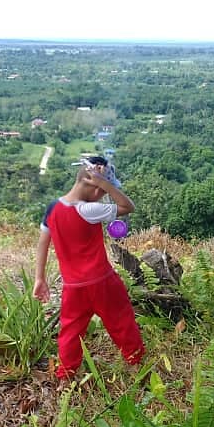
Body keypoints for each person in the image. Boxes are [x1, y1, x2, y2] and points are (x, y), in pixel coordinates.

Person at [33, 156, 145, 379]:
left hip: (73, 287)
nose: (103, 196)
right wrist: (104, 182)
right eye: (102, 192)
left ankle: (66, 374)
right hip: (102, 281)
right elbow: (127, 206)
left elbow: (43, 243)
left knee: (70, 333)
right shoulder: (89, 210)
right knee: (121, 320)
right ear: (93, 185)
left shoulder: (53, 208)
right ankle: (136, 361)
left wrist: (39, 278)